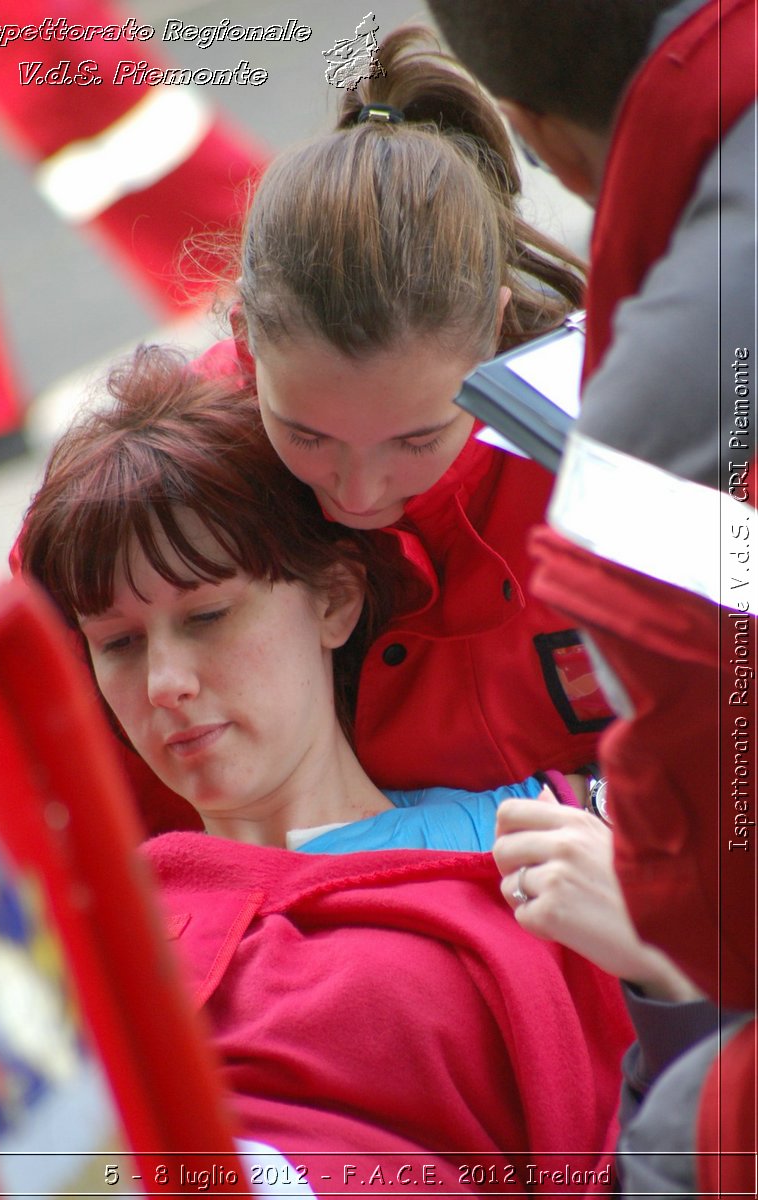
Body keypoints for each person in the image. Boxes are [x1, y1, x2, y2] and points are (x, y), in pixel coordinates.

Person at [18, 344, 639, 1188]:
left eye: (207, 616)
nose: (164, 684)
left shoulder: (554, 841)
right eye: (118, 643)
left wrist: (659, 970)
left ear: (335, 600)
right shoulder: (73, 935)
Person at [424, 0, 756, 1192]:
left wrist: (664, 938)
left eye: (419, 438)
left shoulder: (650, 461)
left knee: (685, 1137)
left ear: (540, 141)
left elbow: (728, 910)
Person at [182, 26, 617, 826]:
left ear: (495, 331)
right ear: (245, 343)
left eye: (418, 440)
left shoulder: (633, 446)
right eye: (306, 435)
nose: (358, 490)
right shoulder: (175, 473)